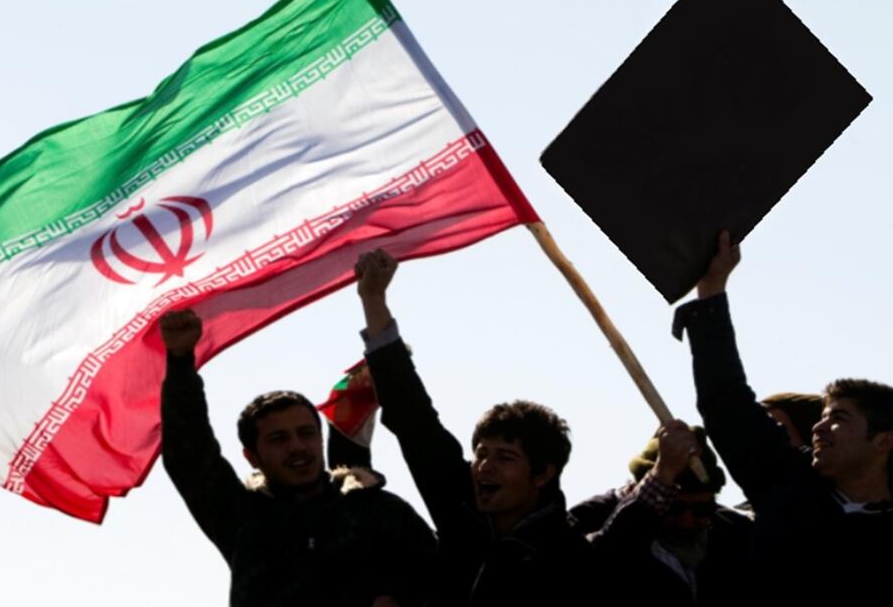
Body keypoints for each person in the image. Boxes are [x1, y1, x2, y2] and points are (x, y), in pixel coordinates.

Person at [672, 231, 893, 606]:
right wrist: (712, 291)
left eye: (839, 418)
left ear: (884, 442)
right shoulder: (783, 481)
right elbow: (726, 400)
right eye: (822, 416)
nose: (818, 428)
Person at [353, 249, 605, 607]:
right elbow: (414, 420)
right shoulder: (459, 502)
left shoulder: (572, 560)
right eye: (482, 454)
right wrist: (373, 300)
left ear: (542, 474)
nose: (485, 466)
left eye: (505, 457)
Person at [158, 309, 436, 607]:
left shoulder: (380, 511)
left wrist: (395, 596)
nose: (297, 447)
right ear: (252, 457)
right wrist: (180, 361)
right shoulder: (243, 519)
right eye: (279, 439)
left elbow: (445, 581)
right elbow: (189, 456)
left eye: (306, 433)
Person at [572, 421, 752, 606]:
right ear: (641, 487)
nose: (686, 520)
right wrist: (663, 475)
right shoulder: (591, 517)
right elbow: (594, 570)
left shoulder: (733, 531)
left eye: (701, 510)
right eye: (674, 507)